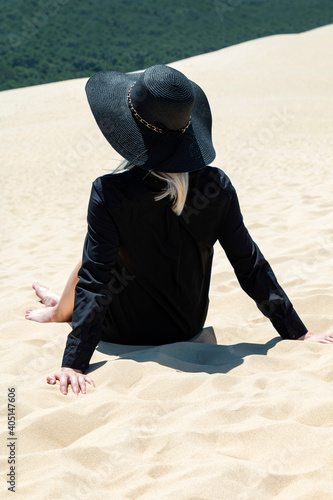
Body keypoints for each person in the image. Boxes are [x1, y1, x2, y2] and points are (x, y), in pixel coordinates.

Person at [26, 65, 333, 396]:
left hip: (123, 333)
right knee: (105, 257)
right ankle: (60, 305)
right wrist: (296, 332)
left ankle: (58, 311)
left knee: (92, 258)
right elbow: (250, 265)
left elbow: (96, 280)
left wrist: (74, 363)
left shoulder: (109, 192)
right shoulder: (217, 186)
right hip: (186, 326)